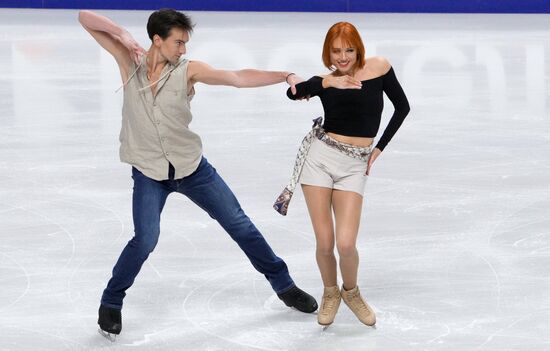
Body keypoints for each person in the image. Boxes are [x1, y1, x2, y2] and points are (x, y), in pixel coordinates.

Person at [78, 9, 318, 340]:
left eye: (185, 43)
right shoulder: (129, 63)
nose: (184, 50)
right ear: (157, 40)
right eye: (178, 42)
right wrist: (124, 35)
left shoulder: (188, 71)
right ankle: (111, 301)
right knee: (145, 239)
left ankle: (284, 286)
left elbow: (236, 77)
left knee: (240, 225)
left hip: (192, 169)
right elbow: (84, 16)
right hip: (149, 172)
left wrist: (285, 75)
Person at [285, 22, 410, 327]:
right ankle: (330, 293)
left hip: (355, 166)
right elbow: (294, 94)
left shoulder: (379, 68)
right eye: (336, 51)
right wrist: (324, 83)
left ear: (359, 49)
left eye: (349, 50)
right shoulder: (325, 81)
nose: (343, 57)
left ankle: (351, 292)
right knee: (325, 242)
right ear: (329, 52)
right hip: (319, 160)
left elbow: (402, 107)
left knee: (345, 244)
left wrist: (379, 148)